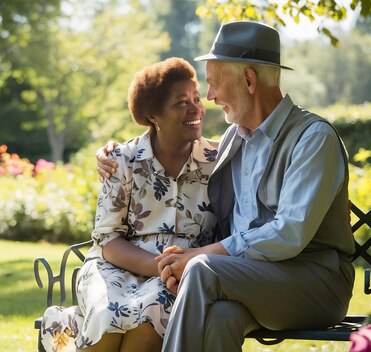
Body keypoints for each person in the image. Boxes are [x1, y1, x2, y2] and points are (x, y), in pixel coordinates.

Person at [96, 21, 356, 351]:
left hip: (316, 284)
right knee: (220, 317)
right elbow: (167, 146)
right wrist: (111, 153)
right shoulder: (234, 139)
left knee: (202, 269)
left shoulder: (313, 139)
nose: (211, 98)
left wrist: (200, 255)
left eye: (214, 85)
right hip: (252, 279)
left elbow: (288, 233)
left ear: (248, 80)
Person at [40, 57, 219, 352]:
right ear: (154, 116)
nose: (195, 108)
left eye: (196, 99)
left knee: (151, 311)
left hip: (180, 272)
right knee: (107, 313)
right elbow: (108, 239)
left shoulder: (219, 159)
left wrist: (169, 269)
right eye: (180, 102)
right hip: (115, 266)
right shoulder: (122, 160)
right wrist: (156, 266)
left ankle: (68, 330)